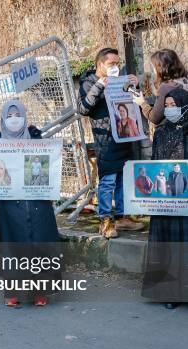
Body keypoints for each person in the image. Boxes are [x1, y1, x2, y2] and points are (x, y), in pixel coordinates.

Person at [0, 100, 62, 307]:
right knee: (12, 245)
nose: (14, 120)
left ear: (25, 116)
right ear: (3, 119)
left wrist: (56, 160)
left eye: (17, 115)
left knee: (40, 242)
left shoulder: (35, 137)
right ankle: (12, 292)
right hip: (10, 204)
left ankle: (41, 291)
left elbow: (45, 164)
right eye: (9, 116)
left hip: (37, 201)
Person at [77, 47, 144, 238]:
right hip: (105, 140)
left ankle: (123, 218)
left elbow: (134, 102)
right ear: (100, 64)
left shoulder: (119, 79)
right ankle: (105, 221)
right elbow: (83, 109)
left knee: (123, 179)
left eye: (117, 63)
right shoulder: (88, 82)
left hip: (124, 136)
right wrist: (99, 85)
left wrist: (135, 85)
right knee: (108, 181)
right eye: (111, 64)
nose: (115, 67)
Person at [141, 88, 188, 309]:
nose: (170, 109)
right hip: (167, 200)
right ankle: (170, 293)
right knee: (169, 243)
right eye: (166, 105)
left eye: (174, 105)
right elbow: (156, 163)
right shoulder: (160, 132)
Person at [133, 49, 188, 126]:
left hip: (176, 135)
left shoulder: (166, 87)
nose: (154, 71)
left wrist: (142, 103)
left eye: (154, 67)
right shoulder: (185, 79)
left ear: (161, 68)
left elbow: (154, 118)